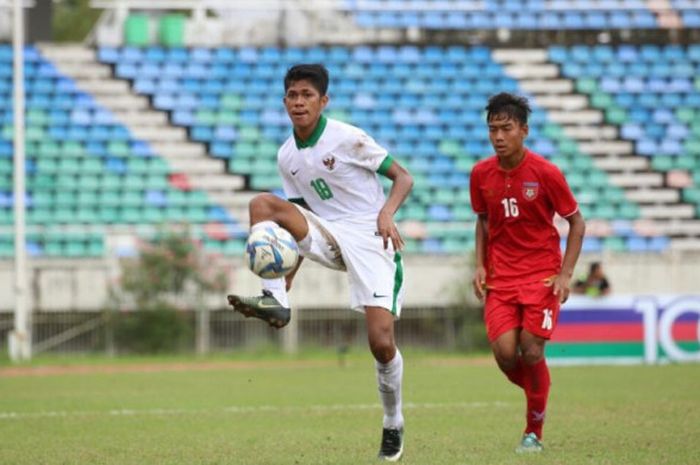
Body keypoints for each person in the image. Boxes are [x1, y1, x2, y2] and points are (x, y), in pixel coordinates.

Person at [227, 64, 413, 462]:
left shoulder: (347, 138)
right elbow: (293, 225)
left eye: (307, 95)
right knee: (262, 204)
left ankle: (393, 421)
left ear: (323, 100)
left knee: (381, 344)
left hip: (370, 238)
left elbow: (403, 178)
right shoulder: (287, 155)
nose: (299, 102)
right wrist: (285, 276)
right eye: (292, 95)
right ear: (284, 102)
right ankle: (275, 299)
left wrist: (387, 213)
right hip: (328, 235)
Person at [470, 93, 586, 453]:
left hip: (542, 277)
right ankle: (541, 389)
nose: (498, 136)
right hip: (501, 279)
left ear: (524, 130)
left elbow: (577, 223)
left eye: (506, 129)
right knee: (506, 355)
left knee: (531, 351)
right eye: (493, 129)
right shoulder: (481, 174)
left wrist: (566, 274)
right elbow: (484, 221)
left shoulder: (546, 173)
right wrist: (480, 264)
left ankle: (533, 431)